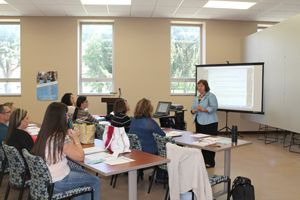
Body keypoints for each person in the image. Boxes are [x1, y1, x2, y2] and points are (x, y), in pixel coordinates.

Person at [32, 102, 100, 200]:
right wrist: (76, 138)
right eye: (66, 115)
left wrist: (70, 137)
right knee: (95, 180)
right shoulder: (59, 137)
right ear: (60, 117)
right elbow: (80, 157)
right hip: (58, 181)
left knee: (82, 173)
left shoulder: (44, 133)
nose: (68, 117)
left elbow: (69, 150)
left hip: (46, 179)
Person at [191, 79, 218, 168]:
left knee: (210, 143)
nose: (199, 88)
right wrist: (193, 110)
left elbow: (214, 108)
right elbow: (193, 109)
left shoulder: (211, 96)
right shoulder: (197, 97)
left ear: (205, 86)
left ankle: (210, 162)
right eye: (198, 86)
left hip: (210, 123)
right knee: (202, 142)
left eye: (201, 86)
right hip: (199, 122)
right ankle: (204, 160)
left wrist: (204, 109)